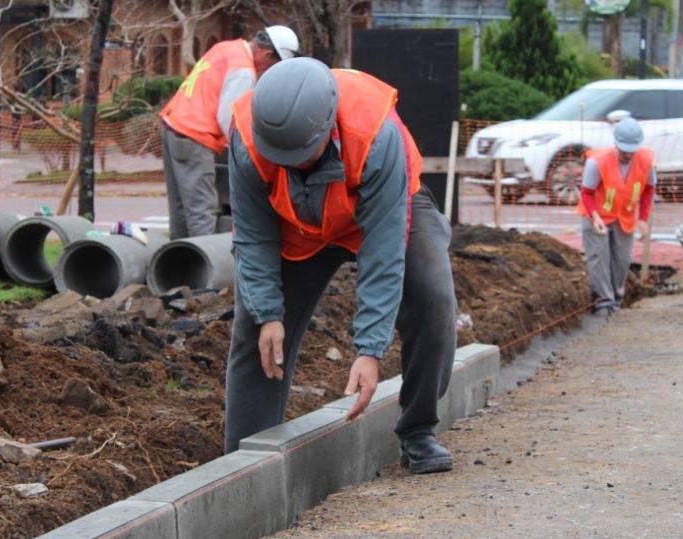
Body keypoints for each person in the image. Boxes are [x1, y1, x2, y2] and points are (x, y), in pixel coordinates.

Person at [224, 57, 459, 474]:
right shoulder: (247, 134)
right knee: (256, 334)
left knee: (433, 297)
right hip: (297, 223)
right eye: (283, 155)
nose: (292, 162)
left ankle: (418, 430)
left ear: (327, 125)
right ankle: (243, 462)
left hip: (385, 211)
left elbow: (384, 254)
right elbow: (253, 234)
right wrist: (268, 314)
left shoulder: (374, 133)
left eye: (301, 154)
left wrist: (370, 350)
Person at [159, 26, 300, 240]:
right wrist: (252, 156)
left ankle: (174, 265)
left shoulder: (226, 48)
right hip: (195, 136)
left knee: (180, 208)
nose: (268, 69)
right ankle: (202, 267)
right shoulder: (243, 71)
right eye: (274, 64)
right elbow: (231, 120)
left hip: (173, 124)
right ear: (268, 54)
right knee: (201, 210)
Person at [576, 116, 657, 315]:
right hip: (595, 216)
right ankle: (604, 303)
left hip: (624, 217)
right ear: (616, 144)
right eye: (624, 151)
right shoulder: (598, 162)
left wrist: (644, 219)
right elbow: (586, 193)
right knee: (598, 258)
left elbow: (649, 189)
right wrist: (595, 217)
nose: (628, 155)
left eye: (632, 151)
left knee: (621, 260)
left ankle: (616, 301)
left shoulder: (646, 162)